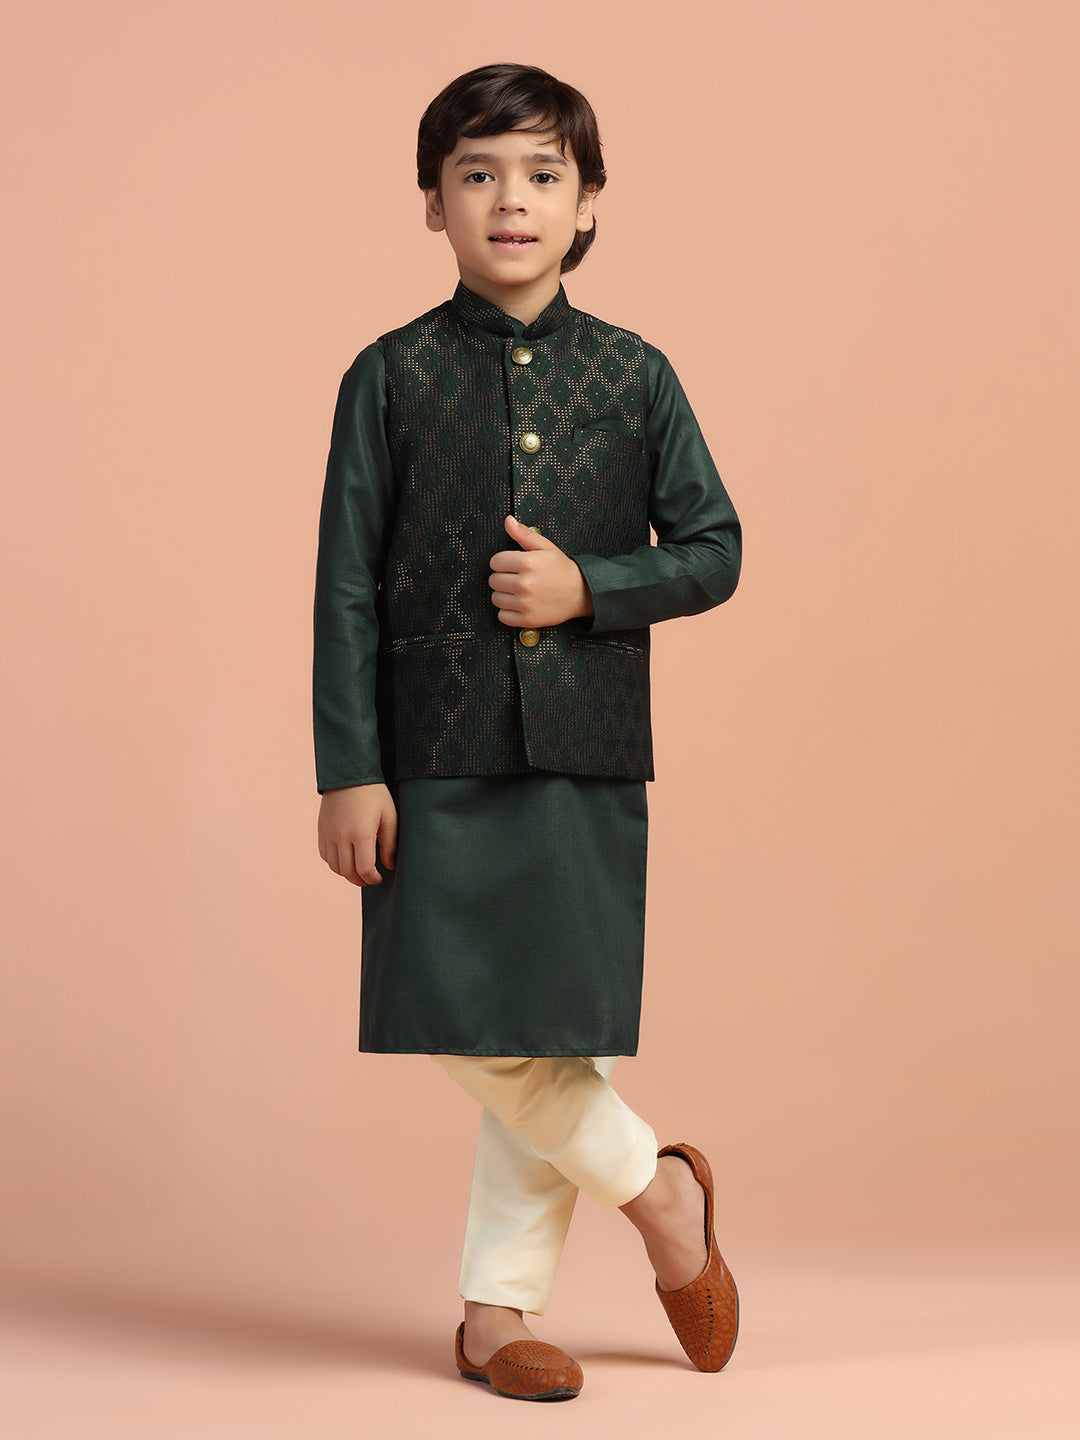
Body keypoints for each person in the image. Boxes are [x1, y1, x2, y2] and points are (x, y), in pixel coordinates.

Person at [312, 62, 742, 1402]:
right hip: (431, 751)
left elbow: (715, 550)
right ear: (432, 202)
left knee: (555, 1030)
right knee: (457, 1016)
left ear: (587, 202)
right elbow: (345, 585)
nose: (512, 199)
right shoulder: (388, 376)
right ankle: (660, 1194)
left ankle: (496, 1315)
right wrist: (350, 769)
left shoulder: (636, 372)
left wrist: (589, 588)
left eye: (543, 174)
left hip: (586, 748)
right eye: (479, 174)